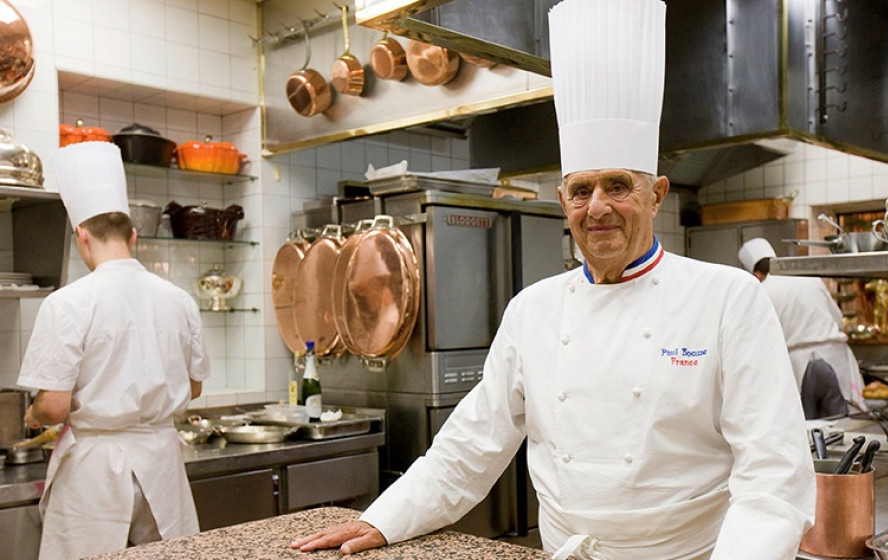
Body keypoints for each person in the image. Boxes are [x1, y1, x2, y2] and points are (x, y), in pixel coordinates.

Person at [291, 1, 815, 558]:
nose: (598, 207)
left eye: (618, 186)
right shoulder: (532, 310)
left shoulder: (728, 298)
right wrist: (384, 519)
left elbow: (772, 475)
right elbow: (472, 442)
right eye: (581, 190)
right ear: (564, 202)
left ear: (656, 195)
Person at [17, 141, 211, 560]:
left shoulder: (67, 303)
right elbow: (194, 388)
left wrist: (33, 415)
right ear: (133, 235)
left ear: (81, 235)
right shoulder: (178, 300)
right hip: (162, 465)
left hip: (95, 473)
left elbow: (53, 407)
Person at [738, 237, 867, 415]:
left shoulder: (763, 291)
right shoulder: (809, 278)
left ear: (756, 275)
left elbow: (760, 342)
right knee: (847, 424)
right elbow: (838, 319)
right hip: (833, 357)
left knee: (809, 428)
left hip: (798, 366)